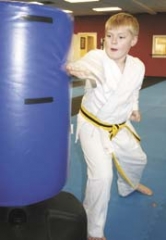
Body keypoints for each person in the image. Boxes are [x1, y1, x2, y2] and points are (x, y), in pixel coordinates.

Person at [66, 12, 153, 240]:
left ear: (133, 40)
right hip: (93, 127)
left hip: (119, 125)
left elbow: (133, 90)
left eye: (121, 37)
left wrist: (134, 107)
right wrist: (77, 69)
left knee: (138, 159)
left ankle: (130, 184)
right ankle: (94, 231)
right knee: (102, 177)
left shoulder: (138, 66)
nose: (113, 41)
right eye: (110, 35)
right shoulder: (97, 57)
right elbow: (86, 66)